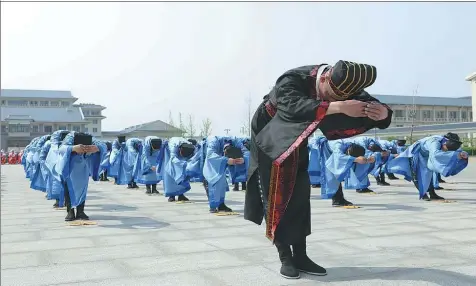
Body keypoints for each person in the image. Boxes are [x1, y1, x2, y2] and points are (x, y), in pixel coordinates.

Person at [244, 60, 392, 279]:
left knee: (300, 195)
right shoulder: (292, 79)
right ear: (324, 78)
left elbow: (373, 106)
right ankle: (285, 256)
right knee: (275, 195)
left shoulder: (344, 83)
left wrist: (383, 114)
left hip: (298, 138)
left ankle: (301, 255)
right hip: (269, 138)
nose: (332, 100)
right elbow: (292, 106)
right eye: (330, 94)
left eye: (338, 98)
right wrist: (339, 107)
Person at [387, 133, 468, 201]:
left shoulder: (446, 143)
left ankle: (432, 194)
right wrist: (456, 155)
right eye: (446, 149)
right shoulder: (435, 142)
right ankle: (423, 194)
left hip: (426, 155)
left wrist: (463, 154)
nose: (446, 151)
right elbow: (436, 154)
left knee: (429, 173)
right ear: (444, 143)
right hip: (415, 154)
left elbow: (458, 151)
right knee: (416, 174)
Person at [55, 132, 106, 221]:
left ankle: (80, 211)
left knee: (83, 189)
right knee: (69, 189)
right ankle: (70, 212)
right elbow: (61, 149)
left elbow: (103, 145)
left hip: (83, 167)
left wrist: (97, 148)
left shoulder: (90, 138)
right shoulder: (70, 137)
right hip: (70, 167)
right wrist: (73, 148)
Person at [319, 137, 372, 207]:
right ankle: (337, 200)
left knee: (339, 174)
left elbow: (364, 154)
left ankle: (339, 198)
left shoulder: (354, 145)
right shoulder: (338, 145)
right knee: (333, 175)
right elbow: (339, 157)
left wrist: (368, 159)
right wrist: (355, 159)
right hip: (325, 149)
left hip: (332, 150)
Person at [203, 136, 245, 213]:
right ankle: (213, 205)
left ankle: (221, 204)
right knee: (213, 182)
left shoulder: (236, 141)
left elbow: (245, 151)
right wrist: (226, 160)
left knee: (221, 183)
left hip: (221, 163)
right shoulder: (214, 141)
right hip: (211, 164)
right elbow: (210, 155)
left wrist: (243, 158)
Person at [162, 137, 195, 202]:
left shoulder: (190, 147)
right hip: (170, 155)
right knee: (171, 175)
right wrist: (183, 163)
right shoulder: (173, 146)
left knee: (182, 173)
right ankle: (171, 196)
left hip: (182, 157)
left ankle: (181, 195)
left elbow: (192, 157)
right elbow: (173, 158)